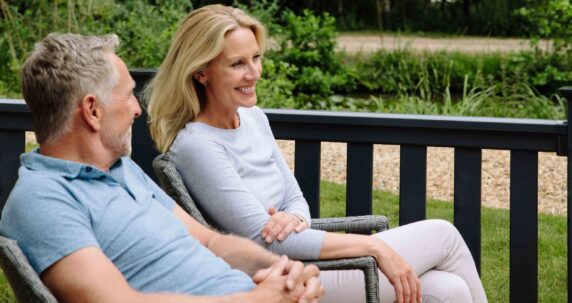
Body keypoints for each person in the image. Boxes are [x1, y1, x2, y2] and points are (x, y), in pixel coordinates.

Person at [146, 4, 488, 303]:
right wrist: (374, 247)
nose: (254, 73)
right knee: (443, 233)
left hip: (313, 262)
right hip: (288, 280)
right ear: (200, 71)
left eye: (256, 57)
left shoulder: (253, 118)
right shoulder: (197, 145)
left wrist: (292, 219)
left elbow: (296, 200)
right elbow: (265, 244)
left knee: (450, 290)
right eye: (237, 63)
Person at [0, 32, 325, 303]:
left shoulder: (121, 170)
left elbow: (211, 243)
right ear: (92, 111)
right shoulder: (44, 200)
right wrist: (255, 299)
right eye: (128, 95)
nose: (138, 109)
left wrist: (283, 270)